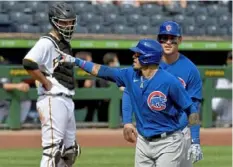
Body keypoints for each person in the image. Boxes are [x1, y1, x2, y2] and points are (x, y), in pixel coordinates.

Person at [56, 39, 202, 167]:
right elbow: (102, 70)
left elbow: (192, 110)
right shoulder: (130, 74)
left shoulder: (169, 81)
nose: (134, 56)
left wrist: (195, 141)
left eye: (138, 54)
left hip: (169, 141)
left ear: (148, 57)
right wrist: (75, 61)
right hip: (143, 142)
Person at [122, 21, 203, 167]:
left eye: (173, 38)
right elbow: (129, 92)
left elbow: (193, 107)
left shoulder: (190, 70)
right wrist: (127, 121)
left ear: (180, 40)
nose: (168, 42)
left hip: (180, 133)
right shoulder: (145, 61)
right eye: (163, 38)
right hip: (148, 134)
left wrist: (194, 139)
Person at [22, 2, 81, 167]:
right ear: (54, 21)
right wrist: (45, 81)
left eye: (70, 22)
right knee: (52, 151)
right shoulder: (46, 42)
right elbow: (28, 62)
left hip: (67, 98)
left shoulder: (64, 43)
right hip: (52, 98)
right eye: (63, 22)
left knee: (70, 152)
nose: (68, 25)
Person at [0, 57, 31, 124]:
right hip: (2, 106)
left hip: (9, 105)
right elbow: (3, 85)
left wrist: (23, 85)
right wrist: (17, 86)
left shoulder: (10, 71)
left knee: (26, 101)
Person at [96, 52, 121, 122]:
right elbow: (105, 98)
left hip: (115, 110)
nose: (117, 63)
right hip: (104, 111)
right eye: (116, 61)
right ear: (111, 63)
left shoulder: (117, 74)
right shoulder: (103, 75)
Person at [212, 51, 232, 127]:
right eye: (231, 58)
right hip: (223, 121)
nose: (232, 61)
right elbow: (215, 106)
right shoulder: (220, 73)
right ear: (227, 60)